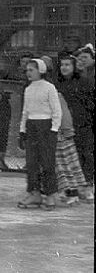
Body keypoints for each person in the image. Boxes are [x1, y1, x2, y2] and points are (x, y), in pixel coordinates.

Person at [17, 59, 62, 210]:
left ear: (41, 70)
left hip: (46, 127)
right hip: (32, 127)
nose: (28, 73)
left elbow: (57, 111)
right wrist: (22, 130)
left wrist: (54, 129)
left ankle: (50, 195)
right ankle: (34, 193)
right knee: (31, 163)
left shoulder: (49, 88)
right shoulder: (28, 89)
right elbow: (25, 112)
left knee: (47, 162)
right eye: (27, 70)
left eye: (31, 70)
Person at [55, 53, 94, 198]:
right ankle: (71, 187)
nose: (64, 67)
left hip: (83, 125)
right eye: (62, 65)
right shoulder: (57, 84)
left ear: (73, 67)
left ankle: (87, 185)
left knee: (85, 155)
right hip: (65, 127)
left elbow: (90, 103)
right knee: (68, 157)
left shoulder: (84, 82)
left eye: (68, 65)